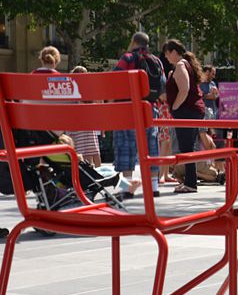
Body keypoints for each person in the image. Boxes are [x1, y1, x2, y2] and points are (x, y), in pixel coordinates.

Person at [113, 32, 166, 198]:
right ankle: (153, 187)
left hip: (127, 109)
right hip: (149, 108)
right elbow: (163, 89)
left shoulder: (127, 58)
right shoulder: (156, 61)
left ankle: (126, 189)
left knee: (125, 147)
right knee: (151, 147)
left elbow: (113, 81)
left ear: (133, 42)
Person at [164, 39, 205, 193]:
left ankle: (191, 183)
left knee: (186, 147)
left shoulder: (181, 65)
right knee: (187, 147)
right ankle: (189, 181)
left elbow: (184, 89)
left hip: (187, 111)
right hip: (191, 111)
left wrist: (174, 107)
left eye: (167, 54)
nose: (166, 57)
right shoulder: (182, 65)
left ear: (174, 52)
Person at [66, 66, 102, 167]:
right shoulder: (85, 90)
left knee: (88, 153)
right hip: (84, 126)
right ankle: (97, 174)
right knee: (91, 152)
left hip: (78, 127)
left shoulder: (72, 89)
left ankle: (93, 174)